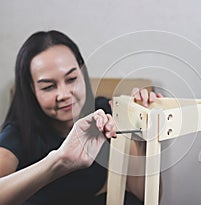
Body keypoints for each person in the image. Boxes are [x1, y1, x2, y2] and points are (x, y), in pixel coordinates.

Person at [0, 30, 163, 205]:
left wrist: (140, 134)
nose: (63, 94)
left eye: (71, 79)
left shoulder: (104, 114)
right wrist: (58, 162)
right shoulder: (16, 135)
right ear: (32, 90)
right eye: (48, 87)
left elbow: (145, 196)